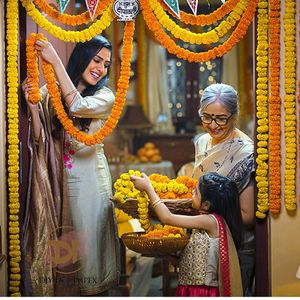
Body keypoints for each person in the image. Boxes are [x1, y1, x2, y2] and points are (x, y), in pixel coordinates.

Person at [21, 36, 120, 296]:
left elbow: (77, 105)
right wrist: (33, 108)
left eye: (106, 64)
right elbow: (41, 138)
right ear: (82, 56)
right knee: (65, 247)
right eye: (96, 59)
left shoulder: (105, 96)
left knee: (89, 252)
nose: (101, 68)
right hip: (59, 178)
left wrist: (54, 60)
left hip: (90, 180)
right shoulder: (52, 90)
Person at [130, 171, 243, 297]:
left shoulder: (211, 221)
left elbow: (167, 218)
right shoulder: (201, 220)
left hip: (202, 292)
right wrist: (172, 258)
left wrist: (148, 188)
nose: (192, 194)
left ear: (206, 204)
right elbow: (196, 260)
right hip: (187, 289)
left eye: (195, 192)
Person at [193, 83, 255, 296]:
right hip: (202, 242)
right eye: (207, 117)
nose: (213, 125)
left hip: (234, 246)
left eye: (221, 118)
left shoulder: (245, 151)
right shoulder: (201, 142)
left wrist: (203, 214)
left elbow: (247, 216)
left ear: (234, 116)